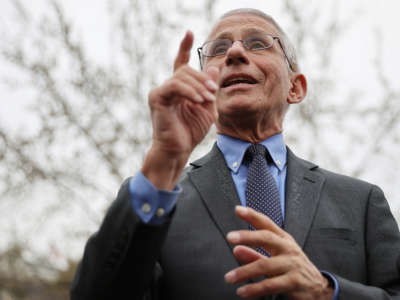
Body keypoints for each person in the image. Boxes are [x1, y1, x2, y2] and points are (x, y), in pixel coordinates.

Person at [70, 8, 400, 300]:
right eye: (219, 49)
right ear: (203, 85)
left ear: (295, 87)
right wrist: (163, 160)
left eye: (258, 43)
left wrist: (326, 291)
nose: (236, 52)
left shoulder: (361, 202)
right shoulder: (156, 203)